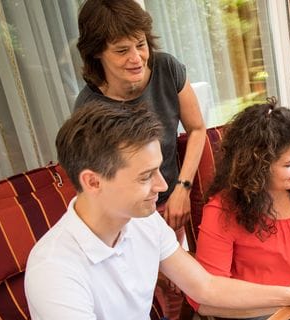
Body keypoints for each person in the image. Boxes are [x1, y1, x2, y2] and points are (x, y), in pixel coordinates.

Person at [24, 101, 290, 320]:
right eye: (145, 176)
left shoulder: (142, 220)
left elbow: (205, 288)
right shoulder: (53, 272)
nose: (163, 186)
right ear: (93, 182)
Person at [189, 99, 290, 320]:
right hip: (265, 307)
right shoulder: (223, 210)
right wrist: (289, 296)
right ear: (257, 167)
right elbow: (204, 300)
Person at [75, 0, 205, 232]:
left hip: (171, 200)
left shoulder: (167, 68)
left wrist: (182, 188)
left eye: (140, 44)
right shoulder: (88, 109)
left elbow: (197, 129)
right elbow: (97, 189)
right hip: (126, 218)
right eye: (122, 50)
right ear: (97, 52)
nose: (136, 58)